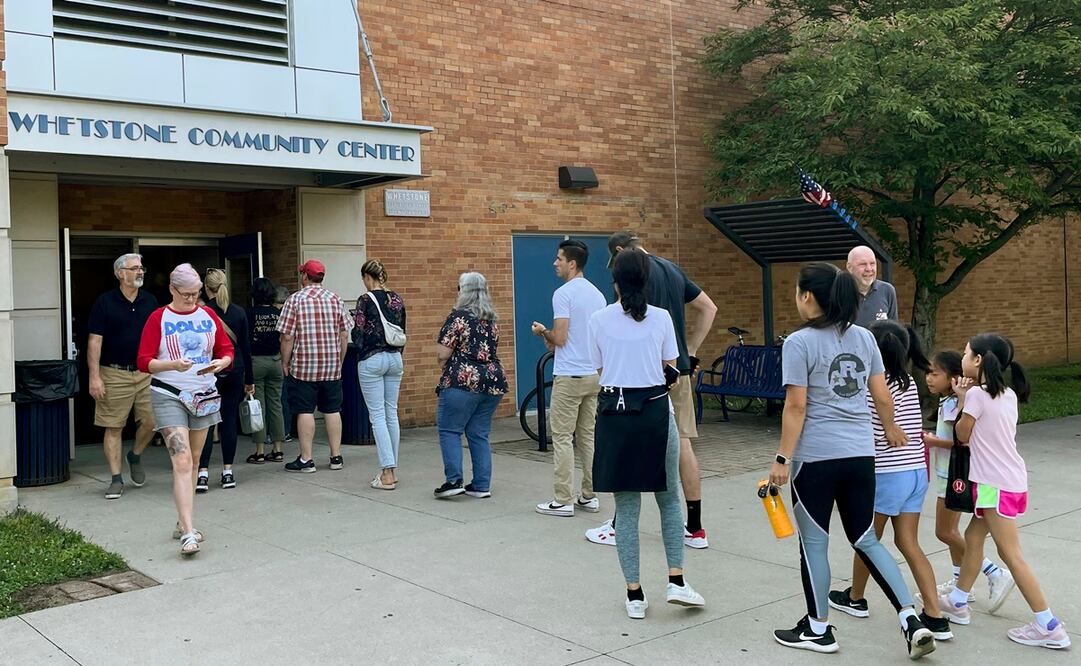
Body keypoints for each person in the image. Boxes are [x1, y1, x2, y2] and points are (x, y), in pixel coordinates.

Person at [769, 262, 936, 659]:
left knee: (815, 543)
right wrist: (891, 428)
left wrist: (781, 458)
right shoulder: (864, 337)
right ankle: (911, 619)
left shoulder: (799, 342)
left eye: (797, 292)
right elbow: (882, 395)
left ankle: (818, 629)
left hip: (816, 458)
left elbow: (796, 406)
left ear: (808, 296)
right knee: (866, 538)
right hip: (861, 455)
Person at [589, 249, 705, 619]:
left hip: (615, 414)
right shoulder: (662, 318)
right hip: (655, 411)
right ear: (647, 280)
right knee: (668, 500)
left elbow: (600, 368)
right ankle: (676, 580)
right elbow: (670, 369)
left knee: (626, 508)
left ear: (615, 282)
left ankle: (634, 594)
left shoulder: (598, 320)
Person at [936, 334, 1070, 650]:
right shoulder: (1007, 393)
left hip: (994, 486)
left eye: (966, 353)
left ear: (978, 360)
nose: (963, 358)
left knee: (1010, 554)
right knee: (972, 538)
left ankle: (1048, 625)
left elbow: (962, 436)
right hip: (1007, 482)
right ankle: (958, 601)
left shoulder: (977, 396)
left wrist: (962, 400)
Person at [826, 321, 952, 640]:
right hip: (915, 472)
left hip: (887, 475)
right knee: (908, 543)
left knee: (867, 540)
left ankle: (856, 598)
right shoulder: (908, 381)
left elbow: (866, 431)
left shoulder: (873, 388)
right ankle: (935, 616)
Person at [137, 264, 233, 556]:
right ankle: (189, 533)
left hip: (203, 394)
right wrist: (172, 365)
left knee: (193, 460)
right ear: (172, 290)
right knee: (181, 461)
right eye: (186, 294)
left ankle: (183, 521)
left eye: (196, 294)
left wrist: (221, 363)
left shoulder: (208, 315)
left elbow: (226, 349)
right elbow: (144, 361)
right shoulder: (159, 318)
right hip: (168, 393)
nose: (191, 299)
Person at [921, 350, 1012, 608]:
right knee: (950, 531)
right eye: (928, 373)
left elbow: (963, 441)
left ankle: (994, 571)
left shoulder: (957, 402)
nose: (929, 379)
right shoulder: (948, 401)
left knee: (945, 531)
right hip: (947, 474)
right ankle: (960, 582)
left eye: (935, 374)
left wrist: (931, 441)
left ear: (953, 377)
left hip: (955, 476)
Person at [531, 239, 607, 517]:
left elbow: (560, 338)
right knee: (587, 437)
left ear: (571, 264)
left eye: (559, 259)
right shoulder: (598, 295)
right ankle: (589, 495)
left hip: (569, 375)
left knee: (562, 437)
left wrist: (543, 331)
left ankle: (563, 499)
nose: (555, 263)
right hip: (593, 374)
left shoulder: (563, 294)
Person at [87, 253, 159, 500]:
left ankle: (135, 455)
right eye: (134, 268)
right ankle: (116, 479)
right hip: (113, 373)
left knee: (152, 421)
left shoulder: (150, 301)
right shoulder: (105, 302)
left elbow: (160, 336)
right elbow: (95, 341)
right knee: (114, 426)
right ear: (120, 273)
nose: (140, 272)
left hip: (145, 373)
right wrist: (94, 377)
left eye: (141, 268)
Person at [433, 272, 507, 499]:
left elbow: (443, 353)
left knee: (450, 429)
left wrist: (446, 363)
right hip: (492, 381)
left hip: (462, 381)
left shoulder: (458, 317)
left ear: (463, 291)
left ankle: (453, 480)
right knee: (478, 433)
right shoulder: (491, 320)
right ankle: (481, 485)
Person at [277, 260, 354, 473]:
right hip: (331, 366)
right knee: (332, 409)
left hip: (304, 367)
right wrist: (339, 361)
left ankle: (307, 459)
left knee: (304, 410)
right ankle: (336, 456)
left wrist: (285, 362)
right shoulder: (335, 299)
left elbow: (287, 337)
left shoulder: (295, 300)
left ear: (305, 276)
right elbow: (344, 334)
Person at [196, 268, 254, 491]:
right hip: (234, 368)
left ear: (206, 288)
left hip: (209, 370)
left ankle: (202, 473)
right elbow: (246, 348)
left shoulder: (202, 312)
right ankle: (228, 471)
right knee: (229, 421)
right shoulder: (238, 312)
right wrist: (250, 379)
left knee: (206, 422)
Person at [354, 259, 406, 490]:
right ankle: (392, 470)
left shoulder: (365, 300)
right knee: (391, 413)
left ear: (367, 277)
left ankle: (387, 473)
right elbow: (403, 329)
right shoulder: (396, 299)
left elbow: (358, 333)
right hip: (395, 357)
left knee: (377, 417)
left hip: (372, 359)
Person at [246, 277, 286, 464]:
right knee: (276, 405)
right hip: (275, 360)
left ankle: (260, 451)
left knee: (258, 407)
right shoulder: (278, 313)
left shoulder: (249, 314)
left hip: (256, 362)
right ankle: (278, 449)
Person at [847, 245, 898, 327]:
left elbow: (894, 329)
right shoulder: (839, 293)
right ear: (849, 267)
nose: (869, 269)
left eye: (872, 263)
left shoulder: (887, 290)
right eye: (863, 264)